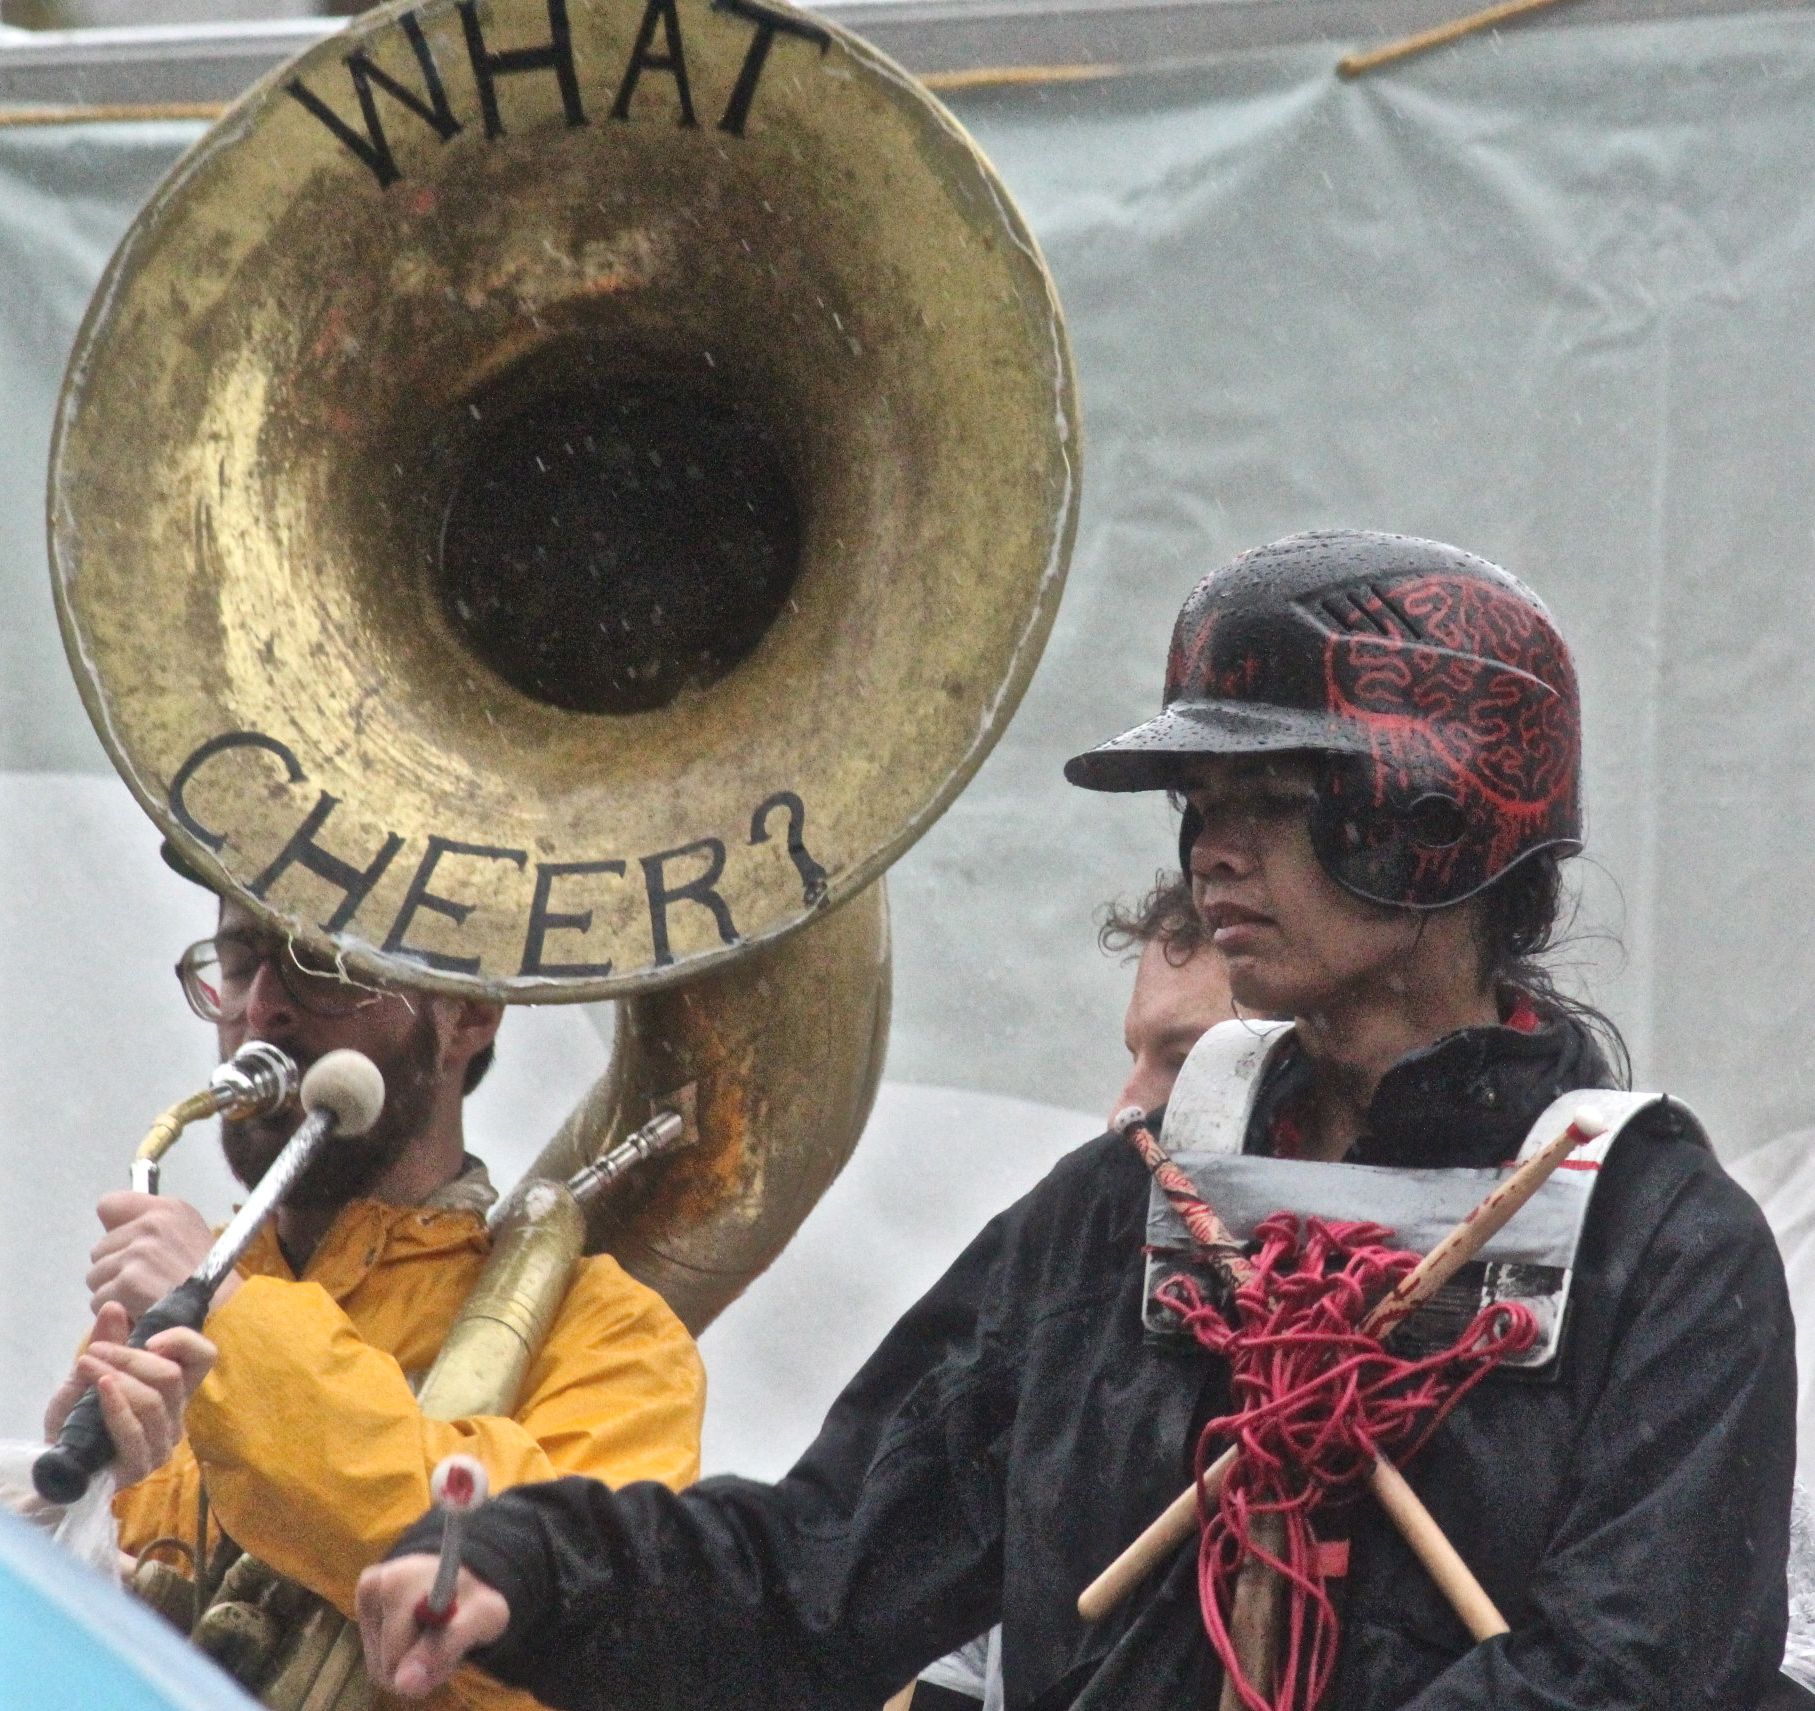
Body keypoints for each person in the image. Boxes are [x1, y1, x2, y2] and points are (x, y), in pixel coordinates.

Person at [357, 530, 1795, 1711]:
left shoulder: (1657, 1248)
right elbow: (821, 1572)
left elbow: (1626, 1676)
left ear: (1433, 813)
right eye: (1197, 800)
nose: (1210, 850)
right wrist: (531, 1563)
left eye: (1273, 796)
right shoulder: (1118, 1213)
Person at [55, 879, 705, 1711]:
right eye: (241, 959)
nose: (261, 1010)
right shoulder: (180, 1297)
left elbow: (552, 1620)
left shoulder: (615, 1337)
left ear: (468, 1012)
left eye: (324, 966)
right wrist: (72, 1507)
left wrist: (232, 1325)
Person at [915, 874, 1235, 1711]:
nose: (1124, 1107)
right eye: (1135, 1054)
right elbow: (949, 1669)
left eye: (1182, 1061)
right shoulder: (1072, 1312)